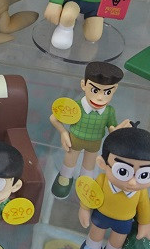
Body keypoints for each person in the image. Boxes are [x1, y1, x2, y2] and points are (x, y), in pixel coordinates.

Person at [76, 125, 150, 249]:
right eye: (123, 171)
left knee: (118, 239)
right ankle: (92, 247)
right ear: (102, 163)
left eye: (144, 174)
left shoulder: (140, 192)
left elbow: (144, 207)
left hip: (124, 221)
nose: (132, 182)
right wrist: (84, 208)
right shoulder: (102, 180)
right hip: (101, 214)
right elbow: (90, 193)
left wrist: (145, 224)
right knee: (96, 232)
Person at [50, 61, 130, 199]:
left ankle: (85, 181)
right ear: (84, 85)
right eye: (95, 90)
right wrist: (63, 132)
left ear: (114, 89)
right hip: (74, 140)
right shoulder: (75, 106)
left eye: (107, 92)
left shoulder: (109, 111)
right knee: (70, 159)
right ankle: (65, 177)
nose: (100, 97)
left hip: (94, 143)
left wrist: (118, 132)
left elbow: (111, 127)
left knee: (89, 164)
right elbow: (53, 118)